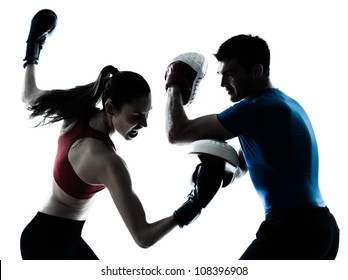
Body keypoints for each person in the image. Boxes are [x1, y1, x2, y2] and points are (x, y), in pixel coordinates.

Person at [20, 9, 234, 260]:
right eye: (136, 116)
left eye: (147, 114)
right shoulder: (108, 162)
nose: (144, 124)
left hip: (55, 235)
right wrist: (195, 203)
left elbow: (29, 96)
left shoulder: (75, 113)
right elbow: (144, 237)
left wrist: (33, 47)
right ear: (110, 107)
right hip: (47, 245)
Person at [164, 34, 340, 259]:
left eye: (230, 74)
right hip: (321, 228)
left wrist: (174, 84)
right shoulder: (285, 103)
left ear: (257, 71)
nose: (222, 83)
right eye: (221, 75)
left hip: (294, 228)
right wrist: (222, 174)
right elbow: (244, 165)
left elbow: (176, 132)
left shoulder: (257, 107)